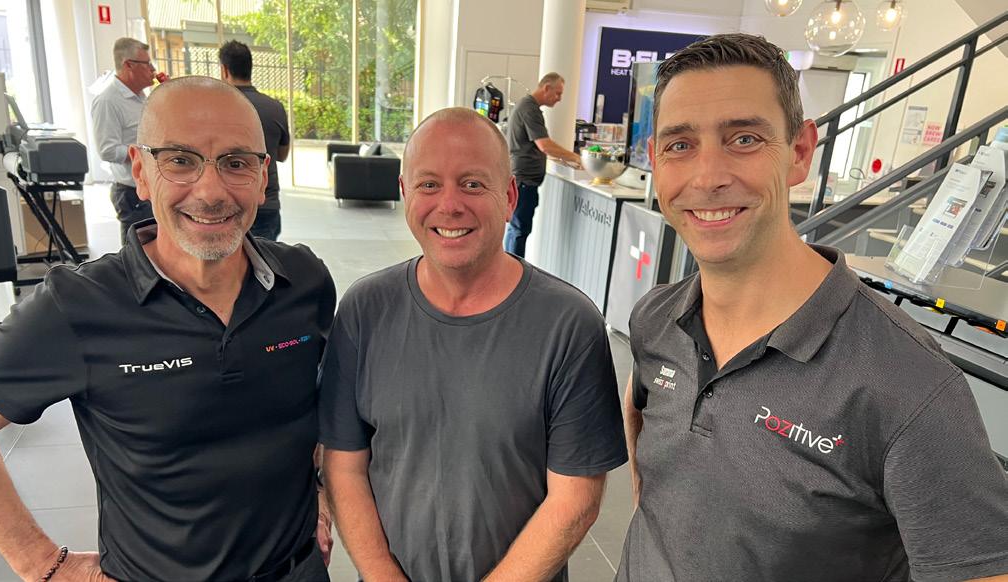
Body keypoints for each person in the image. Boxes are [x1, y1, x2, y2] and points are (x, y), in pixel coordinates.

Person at [618, 33, 1008, 581]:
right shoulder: (655, 318)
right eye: (680, 146)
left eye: (744, 139)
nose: (707, 177)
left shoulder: (909, 384)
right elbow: (655, 473)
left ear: (799, 152)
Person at [0, 77, 335, 581]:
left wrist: (321, 491)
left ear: (263, 177)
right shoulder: (77, 305)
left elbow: (319, 407)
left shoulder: (304, 282)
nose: (211, 191)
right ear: (140, 170)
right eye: (180, 160)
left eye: (236, 162)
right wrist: (40, 562)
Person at [319, 107, 627, 582]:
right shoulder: (364, 311)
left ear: (509, 197)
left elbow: (575, 498)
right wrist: (382, 574)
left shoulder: (569, 326)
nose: (449, 205)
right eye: (428, 184)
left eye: (472, 184)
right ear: (404, 193)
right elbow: (344, 466)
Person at [503, 72, 582, 257]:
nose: (559, 99)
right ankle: (515, 267)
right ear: (546, 88)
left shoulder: (527, 107)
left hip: (524, 179)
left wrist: (562, 158)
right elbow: (544, 145)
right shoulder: (529, 109)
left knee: (517, 229)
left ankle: (512, 263)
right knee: (519, 230)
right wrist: (577, 158)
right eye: (558, 93)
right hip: (524, 180)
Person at [219, 40, 291, 241]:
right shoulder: (274, 107)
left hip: (226, 203)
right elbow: (282, 155)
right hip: (266, 200)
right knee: (263, 258)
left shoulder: (214, 108)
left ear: (224, 70)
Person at [90, 38, 160, 245]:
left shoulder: (143, 97)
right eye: (147, 64)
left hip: (152, 186)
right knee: (137, 251)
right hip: (132, 192)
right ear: (129, 65)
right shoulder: (108, 101)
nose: (153, 70)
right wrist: (145, 152)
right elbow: (107, 150)